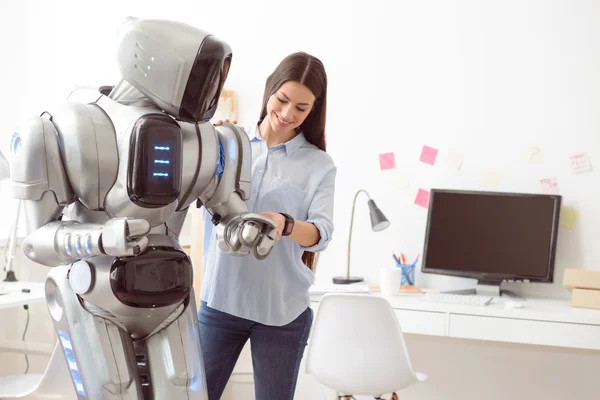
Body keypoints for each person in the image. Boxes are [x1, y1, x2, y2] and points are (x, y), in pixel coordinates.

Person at [198, 51, 337, 400]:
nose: (288, 114)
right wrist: (203, 147)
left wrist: (286, 225)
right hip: (221, 301)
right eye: (283, 99)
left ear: (313, 111)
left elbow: (321, 234)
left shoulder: (319, 165)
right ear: (269, 90)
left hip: (281, 312)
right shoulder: (226, 143)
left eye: (301, 108)